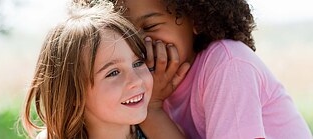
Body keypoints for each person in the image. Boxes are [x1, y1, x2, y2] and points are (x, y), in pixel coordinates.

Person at [98, 0, 312, 138]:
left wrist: (152, 109)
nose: (139, 42)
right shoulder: (149, 83)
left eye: (151, 27)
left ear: (197, 21)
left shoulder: (228, 64)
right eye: (125, 32)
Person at [20, 2, 160, 138]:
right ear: (73, 93)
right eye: (113, 73)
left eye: (137, 63)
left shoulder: (162, 131)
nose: (136, 80)